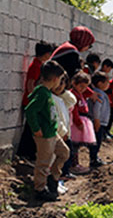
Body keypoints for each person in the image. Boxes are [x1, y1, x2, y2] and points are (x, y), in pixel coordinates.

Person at [24, 62, 69, 202]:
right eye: (60, 79)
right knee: (43, 162)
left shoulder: (46, 92)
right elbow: (30, 110)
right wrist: (36, 128)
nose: (60, 83)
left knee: (64, 152)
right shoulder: (42, 93)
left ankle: (53, 178)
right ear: (55, 79)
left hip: (52, 132)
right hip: (44, 135)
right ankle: (40, 190)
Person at [17, 41, 55, 161]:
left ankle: (27, 153)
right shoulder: (36, 66)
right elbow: (30, 83)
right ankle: (25, 153)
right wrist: (34, 98)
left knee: (30, 128)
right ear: (46, 54)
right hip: (31, 102)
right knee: (30, 129)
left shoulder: (38, 65)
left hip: (31, 101)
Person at [66, 72, 96, 175]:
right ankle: (73, 165)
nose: (83, 89)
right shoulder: (73, 94)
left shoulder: (80, 93)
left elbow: (89, 93)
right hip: (76, 122)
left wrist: (86, 88)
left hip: (82, 119)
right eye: (81, 86)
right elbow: (74, 110)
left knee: (77, 146)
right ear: (74, 83)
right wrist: (78, 122)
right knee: (74, 145)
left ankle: (76, 163)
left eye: (85, 87)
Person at [88, 73, 110, 168]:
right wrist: (96, 120)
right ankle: (94, 159)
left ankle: (95, 157)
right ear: (100, 83)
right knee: (97, 141)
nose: (108, 84)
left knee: (97, 140)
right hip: (98, 121)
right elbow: (97, 108)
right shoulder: (99, 94)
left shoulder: (96, 92)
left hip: (98, 121)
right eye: (107, 82)